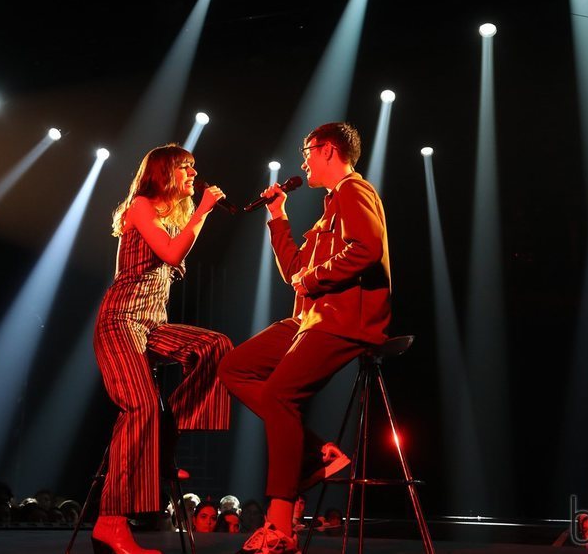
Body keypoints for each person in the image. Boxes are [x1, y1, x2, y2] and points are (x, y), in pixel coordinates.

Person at [218, 122, 391, 553]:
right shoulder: (329, 209)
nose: (303, 161)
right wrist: (278, 217)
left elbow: (366, 248)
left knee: (278, 396)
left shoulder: (354, 190)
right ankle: (319, 454)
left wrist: (313, 278)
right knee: (234, 367)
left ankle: (280, 526)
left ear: (328, 150)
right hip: (309, 318)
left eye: (307, 151)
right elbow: (296, 271)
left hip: (343, 319)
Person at [92, 144, 233, 554]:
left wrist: (195, 214)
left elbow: (175, 249)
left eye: (193, 167)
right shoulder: (140, 206)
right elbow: (172, 253)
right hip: (120, 321)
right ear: (164, 172)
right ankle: (111, 522)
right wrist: (203, 211)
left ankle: (166, 434)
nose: (193, 173)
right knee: (141, 407)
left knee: (215, 346)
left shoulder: (174, 218)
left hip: (153, 325)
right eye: (185, 167)